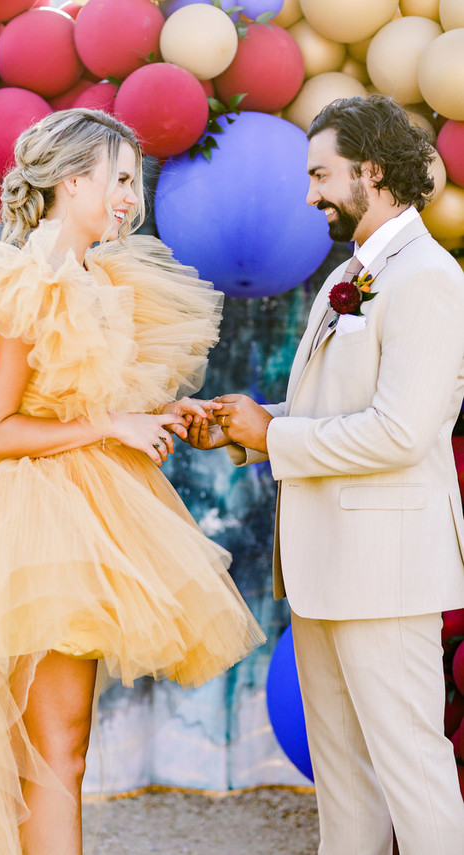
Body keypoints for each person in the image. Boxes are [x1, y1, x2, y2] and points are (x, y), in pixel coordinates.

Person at [0, 108, 265, 855]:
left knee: (61, 747)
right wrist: (112, 427)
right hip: (31, 528)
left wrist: (157, 413)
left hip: (86, 516)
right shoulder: (24, 284)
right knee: (55, 749)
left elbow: (84, 401)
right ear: (70, 180)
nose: (131, 197)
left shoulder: (105, 276)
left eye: (133, 181)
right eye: (119, 179)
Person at [188, 95, 464, 854]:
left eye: (320, 174)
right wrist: (247, 425)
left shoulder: (428, 277)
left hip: (386, 571)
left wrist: (274, 435)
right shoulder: (354, 273)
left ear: (371, 172)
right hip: (325, 568)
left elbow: (401, 431)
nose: (309, 195)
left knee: (412, 767)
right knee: (343, 778)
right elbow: (334, 410)